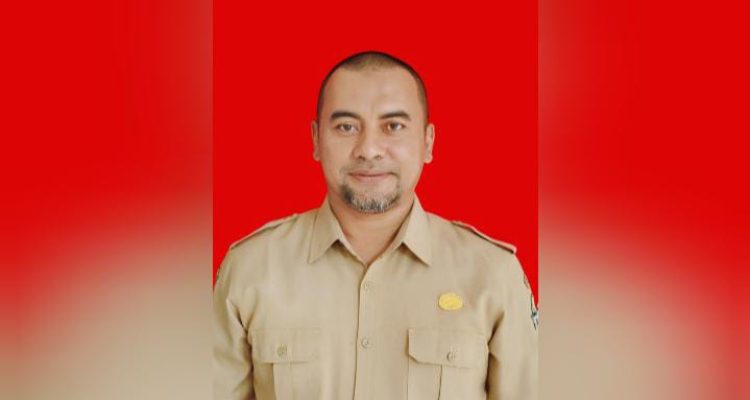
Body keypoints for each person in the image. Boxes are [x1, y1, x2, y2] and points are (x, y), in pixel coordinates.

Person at [213, 50, 538, 400]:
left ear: (428, 142)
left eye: (393, 126)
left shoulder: (492, 274)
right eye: (346, 127)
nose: (368, 150)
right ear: (316, 139)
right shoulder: (250, 269)